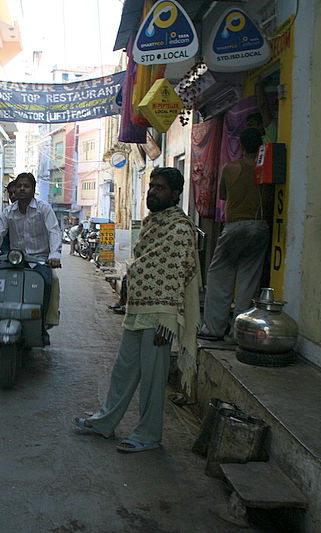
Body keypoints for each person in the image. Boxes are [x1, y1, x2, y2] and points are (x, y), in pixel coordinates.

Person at [73, 167, 201, 453]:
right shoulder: (153, 222)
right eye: (151, 186)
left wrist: (169, 319)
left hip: (162, 315)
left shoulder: (180, 227)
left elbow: (177, 271)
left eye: (160, 188)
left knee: (154, 379)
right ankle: (105, 421)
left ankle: (148, 435)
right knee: (123, 369)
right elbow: (143, 262)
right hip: (138, 308)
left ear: (176, 194)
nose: (152, 192)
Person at [198, 128, 271, 341]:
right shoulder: (263, 170)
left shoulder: (231, 168)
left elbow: (222, 195)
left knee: (220, 275)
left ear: (241, 146)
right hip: (259, 226)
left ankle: (213, 328)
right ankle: (239, 332)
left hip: (236, 226)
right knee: (249, 280)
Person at [0, 172, 62, 337]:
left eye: (26, 186)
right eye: (19, 186)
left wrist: (54, 255)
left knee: (49, 282)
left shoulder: (44, 209)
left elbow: (54, 232)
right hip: (14, 261)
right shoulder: (8, 212)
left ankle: (42, 324)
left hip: (39, 261)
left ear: (33, 189)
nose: (22, 189)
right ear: (15, 189)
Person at [0, 180, 18, 256]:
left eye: (15, 193)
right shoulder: (7, 212)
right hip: (10, 257)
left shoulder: (40, 210)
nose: (13, 196)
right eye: (10, 193)